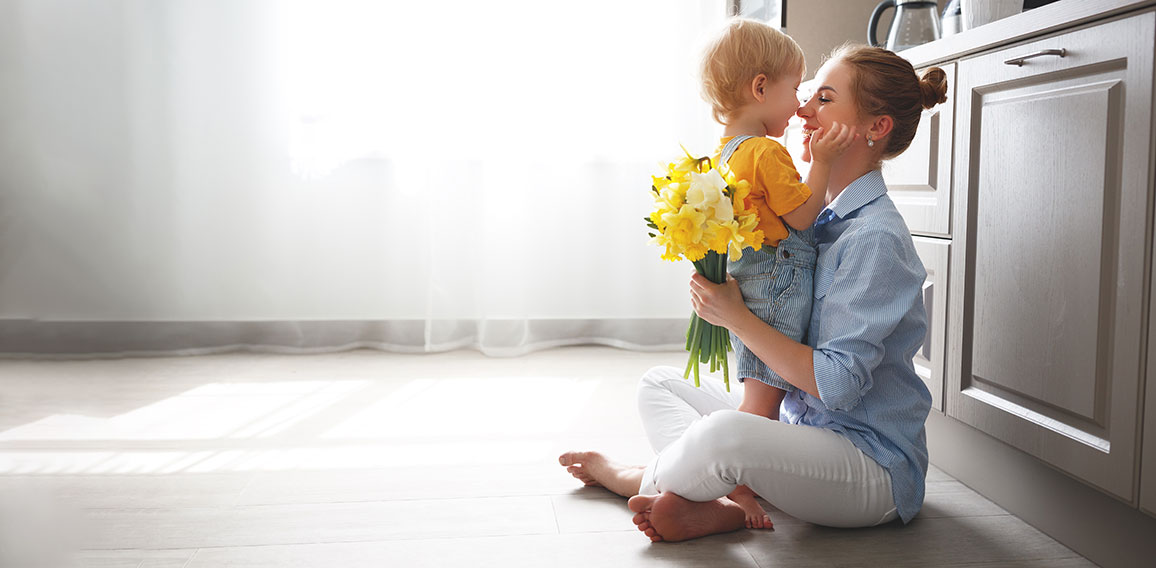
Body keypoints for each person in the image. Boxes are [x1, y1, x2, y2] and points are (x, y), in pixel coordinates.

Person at [559, 43, 949, 543]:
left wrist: (737, 317)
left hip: (870, 466)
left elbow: (839, 385)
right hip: (800, 435)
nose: (804, 110)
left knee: (726, 435)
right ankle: (716, 499)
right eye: (807, 96)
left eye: (824, 100)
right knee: (660, 384)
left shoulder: (875, 237)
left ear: (876, 128)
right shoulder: (812, 220)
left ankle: (633, 476)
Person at [698, 18, 859, 529]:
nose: (798, 106)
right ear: (760, 87)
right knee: (761, 405)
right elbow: (804, 215)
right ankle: (729, 491)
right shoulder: (766, 151)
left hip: (748, 282)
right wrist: (824, 163)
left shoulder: (719, 153)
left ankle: (724, 484)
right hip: (778, 285)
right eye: (795, 89)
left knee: (756, 394)